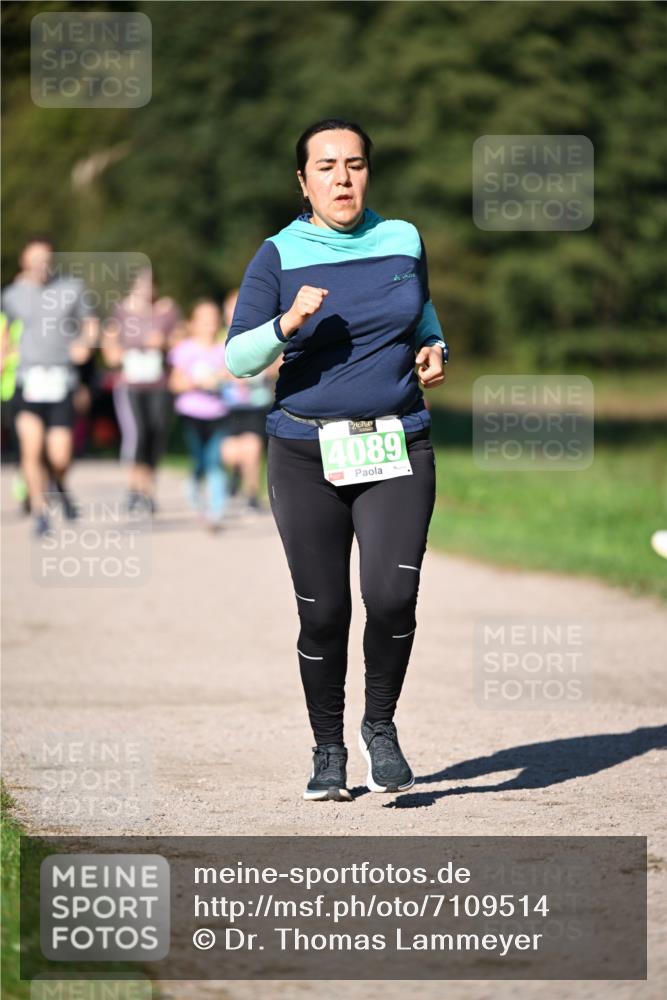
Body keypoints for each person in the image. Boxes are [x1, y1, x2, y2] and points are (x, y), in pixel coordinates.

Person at [225, 119, 448, 801]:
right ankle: (327, 750)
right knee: (323, 613)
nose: (341, 179)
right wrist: (286, 324)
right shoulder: (277, 255)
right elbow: (237, 359)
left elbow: (419, 310)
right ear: (302, 180)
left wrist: (436, 345)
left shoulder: (401, 238)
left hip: (395, 440)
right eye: (325, 167)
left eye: (353, 165)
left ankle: (377, 726)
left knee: (391, 596)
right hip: (304, 453)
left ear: (367, 173)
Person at [1, 237, 98, 535]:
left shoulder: (72, 289)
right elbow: (4, 332)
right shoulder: (13, 294)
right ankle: (41, 514)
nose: (39, 265)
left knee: (60, 454)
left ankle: (59, 482)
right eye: (33, 260)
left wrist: (86, 344)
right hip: (27, 380)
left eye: (45, 258)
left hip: (61, 380)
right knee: (31, 450)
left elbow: (91, 324)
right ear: (23, 262)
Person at [102, 266, 182, 513]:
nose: (147, 289)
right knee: (137, 434)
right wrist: (131, 349)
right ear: (133, 285)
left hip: (158, 384)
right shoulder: (120, 311)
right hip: (130, 385)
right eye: (142, 284)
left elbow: (181, 341)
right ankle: (134, 488)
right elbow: (109, 352)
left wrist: (164, 342)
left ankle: (148, 491)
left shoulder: (167, 311)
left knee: (155, 435)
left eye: (151, 283)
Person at [168, 300, 229, 530]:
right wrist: (197, 382)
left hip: (219, 413)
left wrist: (222, 379)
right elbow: (175, 383)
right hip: (191, 414)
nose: (209, 324)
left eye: (213, 319)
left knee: (215, 460)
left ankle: (215, 512)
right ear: (192, 323)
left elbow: (237, 377)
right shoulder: (185, 350)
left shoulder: (224, 348)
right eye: (204, 320)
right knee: (200, 460)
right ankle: (193, 489)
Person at [219, 288, 279, 513]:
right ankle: (233, 475)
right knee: (231, 452)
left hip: (256, 402)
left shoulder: (260, 335)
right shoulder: (218, 336)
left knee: (252, 449)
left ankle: (252, 494)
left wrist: (258, 370)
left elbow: (277, 364)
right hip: (227, 406)